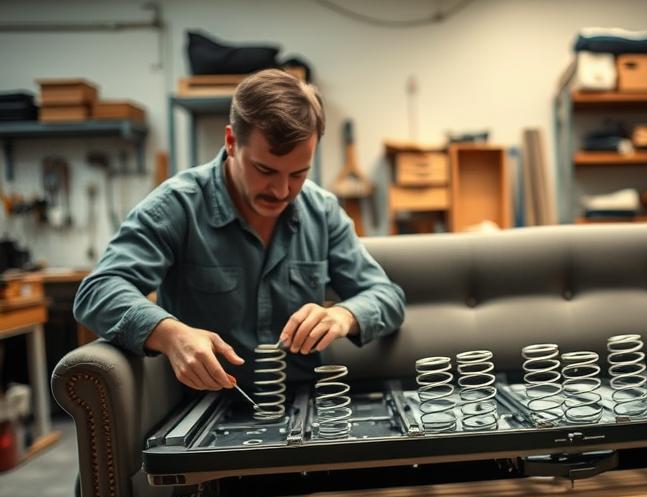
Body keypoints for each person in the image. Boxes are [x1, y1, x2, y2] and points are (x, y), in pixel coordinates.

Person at [74, 69, 405, 392]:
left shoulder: (322, 211)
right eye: (265, 170)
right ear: (231, 141)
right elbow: (98, 290)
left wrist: (344, 316)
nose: (281, 191)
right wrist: (170, 334)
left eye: (298, 174)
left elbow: (387, 297)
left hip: (305, 404)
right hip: (206, 406)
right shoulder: (178, 205)